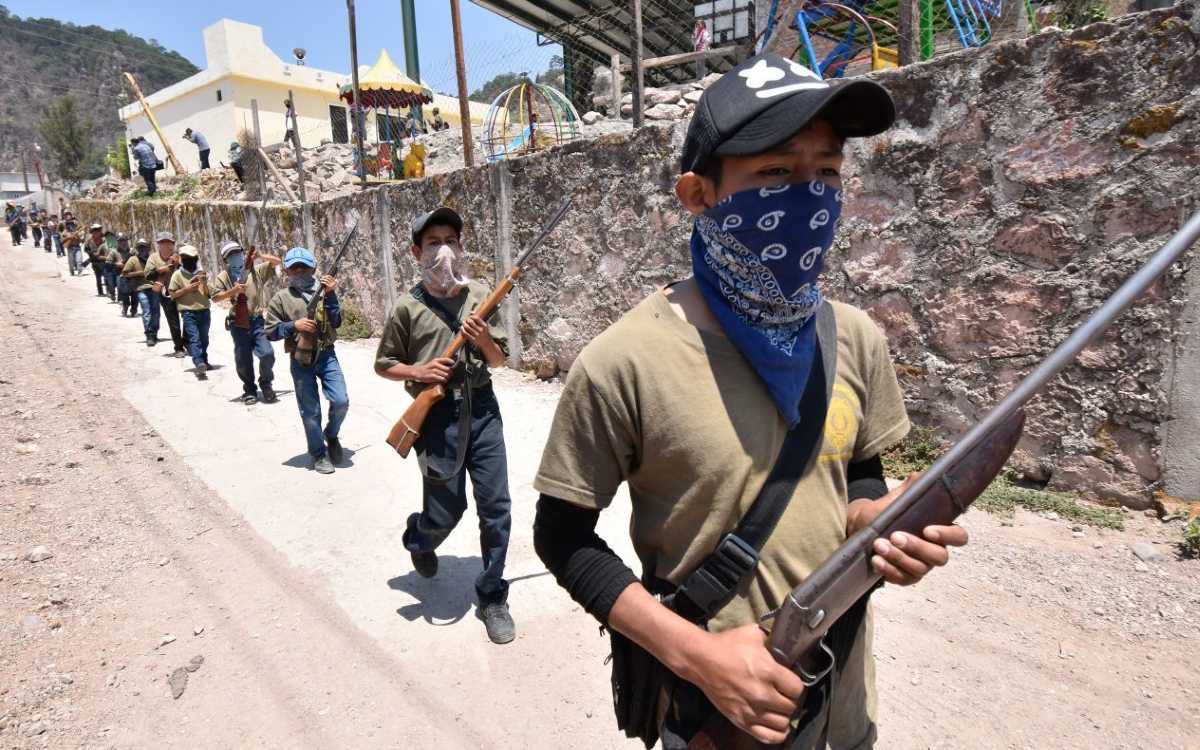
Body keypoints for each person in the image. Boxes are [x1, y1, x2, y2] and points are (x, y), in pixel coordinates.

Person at [532, 53, 970, 750]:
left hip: (842, 701)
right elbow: (562, 537)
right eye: (775, 172)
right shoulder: (624, 361)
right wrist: (696, 657)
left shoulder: (852, 338)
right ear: (698, 194)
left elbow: (856, 475)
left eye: (827, 171)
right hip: (713, 713)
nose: (809, 196)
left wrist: (877, 522)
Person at [373, 207, 516, 644]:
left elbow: (499, 361)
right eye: (433, 243)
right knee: (446, 511)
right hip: (436, 417)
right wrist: (420, 372)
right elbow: (384, 364)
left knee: (496, 507)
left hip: (483, 409)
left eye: (451, 240)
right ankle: (420, 537)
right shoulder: (407, 307)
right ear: (416, 252)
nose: (444, 251)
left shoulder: (480, 295)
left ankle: (492, 595)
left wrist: (484, 339)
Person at [265, 247, 348, 475]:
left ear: (313, 268)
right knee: (310, 411)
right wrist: (294, 325)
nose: (300, 271)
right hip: (300, 358)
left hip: (327, 354)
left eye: (304, 266)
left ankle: (331, 435)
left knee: (341, 401)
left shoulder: (325, 291)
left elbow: (337, 321)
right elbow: (270, 331)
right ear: (287, 272)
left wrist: (331, 295)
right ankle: (318, 454)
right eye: (294, 268)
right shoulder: (281, 298)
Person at [209, 240, 281, 404]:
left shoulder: (256, 271)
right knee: (243, 358)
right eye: (231, 255)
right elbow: (215, 297)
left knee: (267, 354)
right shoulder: (224, 276)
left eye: (238, 253)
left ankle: (266, 383)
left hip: (257, 321)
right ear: (226, 260)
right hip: (238, 323)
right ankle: (249, 390)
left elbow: (277, 262)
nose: (236, 257)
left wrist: (260, 255)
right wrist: (233, 291)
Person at [168, 244, 213, 380]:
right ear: (182, 259)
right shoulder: (177, 275)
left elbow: (209, 294)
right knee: (194, 339)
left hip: (204, 310)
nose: (189, 260)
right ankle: (198, 362)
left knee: (204, 339)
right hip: (188, 312)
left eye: (192, 258)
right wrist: (187, 289)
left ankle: (204, 360)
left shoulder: (201, 273)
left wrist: (204, 283)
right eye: (186, 258)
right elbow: (172, 294)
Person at [143, 231, 187, 357]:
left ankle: (187, 341)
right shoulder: (153, 258)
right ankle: (179, 347)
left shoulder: (180, 256)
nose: (166, 245)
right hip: (166, 293)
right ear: (158, 244)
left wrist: (179, 264)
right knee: (173, 321)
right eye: (163, 243)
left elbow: (191, 270)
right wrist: (161, 270)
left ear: (173, 244)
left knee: (189, 317)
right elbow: (148, 275)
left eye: (169, 243)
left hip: (183, 291)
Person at [124, 238, 157, 345]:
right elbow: (125, 273)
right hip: (141, 289)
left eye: (144, 247)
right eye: (140, 248)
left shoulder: (153, 258)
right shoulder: (133, 260)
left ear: (148, 248)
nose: (143, 250)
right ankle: (149, 334)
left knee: (156, 312)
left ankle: (154, 332)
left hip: (154, 288)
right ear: (137, 249)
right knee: (146, 311)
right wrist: (139, 273)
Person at [110, 233, 139, 317]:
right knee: (123, 292)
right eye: (120, 241)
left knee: (135, 293)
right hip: (120, 274)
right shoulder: (114, 251)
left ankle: (134, 309)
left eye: (124, 240)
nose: (123, 243)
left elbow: (140, 260)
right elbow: (108, 263)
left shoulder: (133, 251)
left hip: (133, 274)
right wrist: (116, 264)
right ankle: (125, 307)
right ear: (117, 242)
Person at [81, 223, 109, 297]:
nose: (97, 232)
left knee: (106, 276)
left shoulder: (104, 239)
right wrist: (92, 254)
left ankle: (109, 291)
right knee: (98, 277)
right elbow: (86, 249)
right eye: (95, 230)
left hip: (104, 260)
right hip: (95, 261)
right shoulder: (89, 241)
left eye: (98, 230)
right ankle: (100, 292)